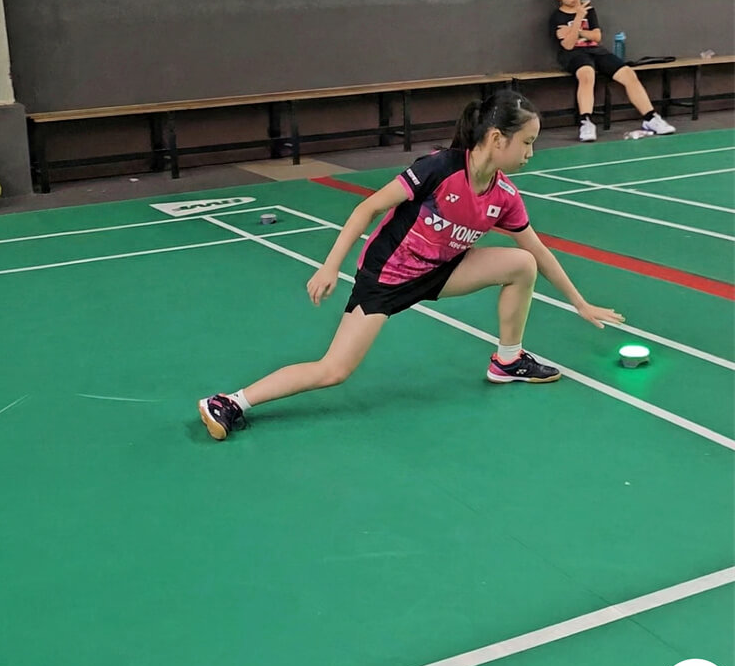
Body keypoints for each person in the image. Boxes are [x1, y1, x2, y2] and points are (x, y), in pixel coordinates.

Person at [198, 90, 625, 441]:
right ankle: (232, 402)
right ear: (497, 139)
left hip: (442, 270)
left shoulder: (504, 196)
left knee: (522, 263)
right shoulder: (439, 169)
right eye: (527, 141)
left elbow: (541, 252)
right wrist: (330, 266)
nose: (532, 151)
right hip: (386, 276)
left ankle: (508, 361)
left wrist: (580, 303)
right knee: (334, 370)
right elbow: (367, 208)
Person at [550, 0, 676, 142]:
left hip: (597, 51)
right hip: (573, 55)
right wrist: (579, 18)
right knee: (587, 74)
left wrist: (578, 31)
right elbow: (568, 44)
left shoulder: (589, 10)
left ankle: (651, 118)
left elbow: (596, 36)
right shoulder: (557, 17)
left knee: (628, 74)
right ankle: (586, 122)